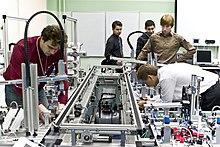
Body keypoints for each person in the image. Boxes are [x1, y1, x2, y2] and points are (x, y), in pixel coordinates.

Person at [3, 25, 69, 120]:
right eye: (50, 47)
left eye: (56, 49)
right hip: (16, 88)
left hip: (38, 87)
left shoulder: (57, 52)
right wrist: (38, 106)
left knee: (45, 118)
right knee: (18, 121)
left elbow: (63, 77)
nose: (53, 52)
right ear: (42, 38)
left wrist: (62, 103)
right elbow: (20, 82)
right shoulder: (22, 48)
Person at [136, 63, 220, 111]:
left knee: (208, 120)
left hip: (211, 90)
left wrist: (146, 104)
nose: (147, 86)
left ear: (150, 77)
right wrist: (151, 101)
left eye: (146, 83)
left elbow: (166, 104)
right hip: (213, 86)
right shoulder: (164, 71)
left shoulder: (165, 77)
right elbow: (169, 98)